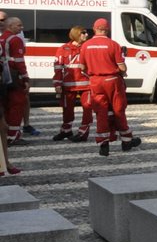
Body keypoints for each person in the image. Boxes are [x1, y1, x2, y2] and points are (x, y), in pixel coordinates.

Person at [80, 17, 141, 157]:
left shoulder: (85, 45)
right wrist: (123, 72)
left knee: (101, 112)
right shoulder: (113, 44)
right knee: (118, 110)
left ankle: (103, 144)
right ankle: (126, 141)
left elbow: (82, 67)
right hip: (112, 80)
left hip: (95, 81)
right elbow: (121, 66)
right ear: (107, 29)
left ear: (94, 29)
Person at [51, 26, 93, 142]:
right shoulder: (63, 48)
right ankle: (66, 130)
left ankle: (83, 132)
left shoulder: (89, 47)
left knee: (88, 107)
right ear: (76, 34)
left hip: (87, 84)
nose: (86, 35)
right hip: (69, 84)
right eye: (83, 33)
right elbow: (58, 67)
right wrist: (58, 84)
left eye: (86, 32)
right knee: (67, 109)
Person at [1, 17, 27, 145]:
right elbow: (19, 61)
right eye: (19, 25)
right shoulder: (15, 39)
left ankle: (6, 134)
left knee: (6, 105)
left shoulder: (2, 38)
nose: (21, 28)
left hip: (4, 76)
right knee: (17, 105)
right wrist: (26, 77)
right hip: (14, 76)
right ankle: (13, 136)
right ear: (10, 26)